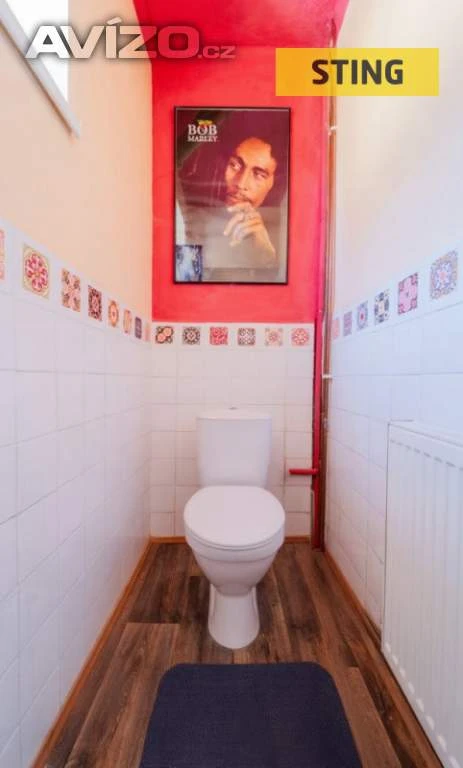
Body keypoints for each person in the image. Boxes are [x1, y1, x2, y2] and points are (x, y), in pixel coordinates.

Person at [175, 109, 289, 283]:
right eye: (235, 165)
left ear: (274, 183)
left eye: (258, 175)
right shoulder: (191, 219)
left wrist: (268, 260)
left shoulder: (283, 234)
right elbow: (185, 281)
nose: (241, 184)